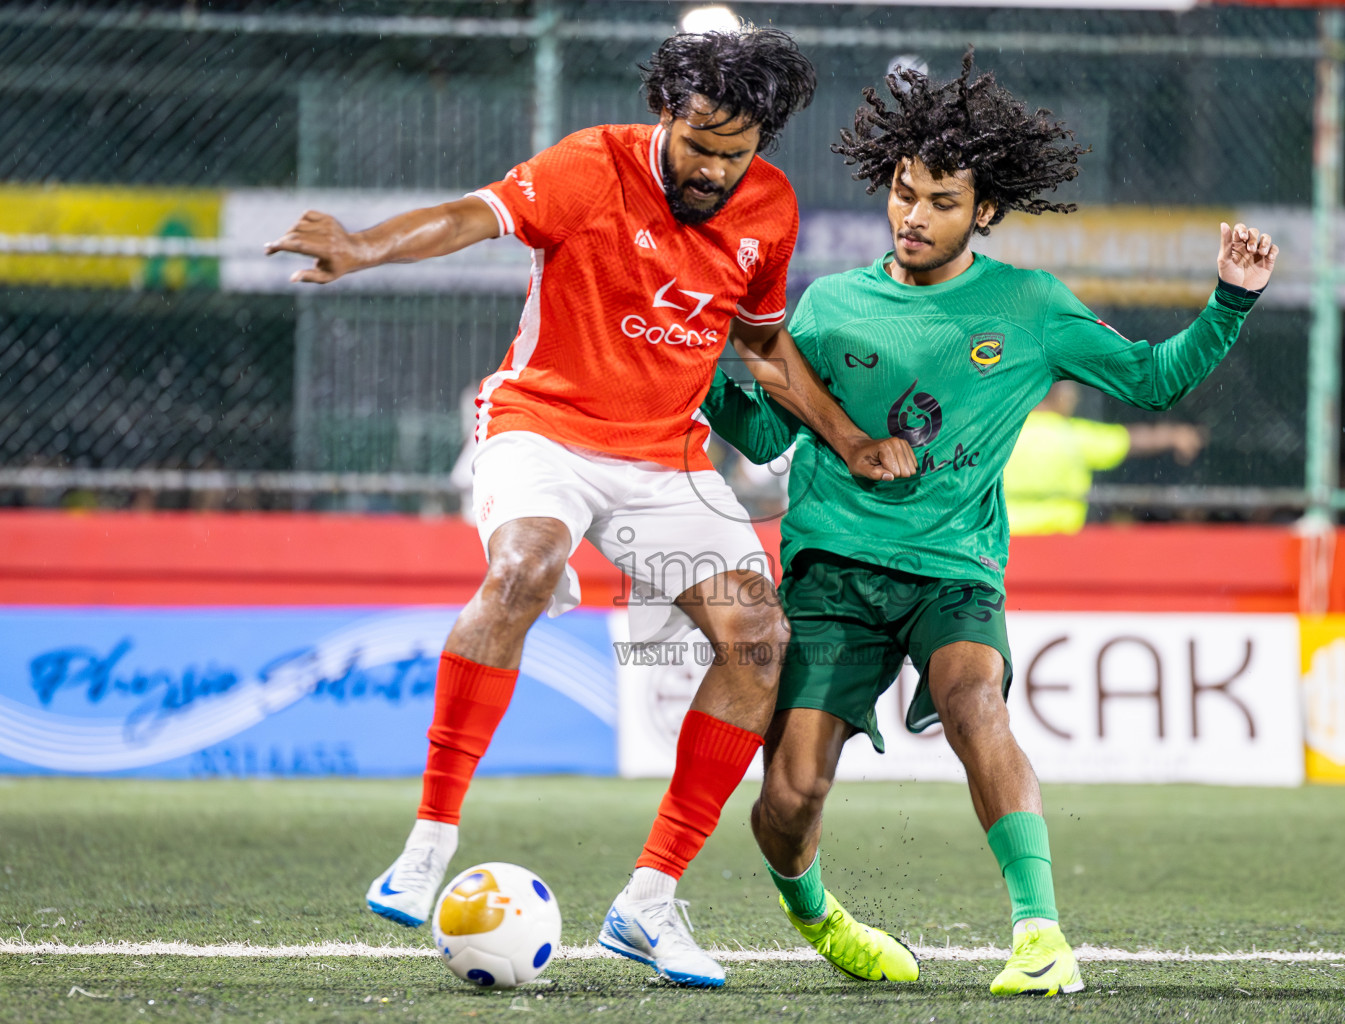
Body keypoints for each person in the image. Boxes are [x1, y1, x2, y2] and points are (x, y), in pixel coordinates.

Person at [265, 27, 914, 989]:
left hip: (666, 454)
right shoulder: (591, 165)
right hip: (546, 424)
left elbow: (766, 347)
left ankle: (648, 905)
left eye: (736, 154)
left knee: (758, 637)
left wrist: (849, 440)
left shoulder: (768, 208)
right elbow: (470, 217)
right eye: (700, 146)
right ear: (667, 116)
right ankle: (429, 842)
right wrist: (364, 248)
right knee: (522, 569)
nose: (716, 171)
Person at [699, 51, 1277, 997]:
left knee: (976, 698)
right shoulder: (833, 303)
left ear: (986, 213)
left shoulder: (1031, 307)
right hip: (832, 569)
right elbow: (764, 429)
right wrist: (702, 365)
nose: (913, 216)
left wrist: (1229, 300)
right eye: (902, 192)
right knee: (791, 795)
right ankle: (813, 911)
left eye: (939, 201)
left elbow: (1151, 379)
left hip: (953, 567)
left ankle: (1041, 933)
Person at [1003, 379, 1207, 535]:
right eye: (1072, 393)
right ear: (1059, 395)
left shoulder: (1002, 437)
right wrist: (1174, 435)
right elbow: (1131, 440)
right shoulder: (1075, 437)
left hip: (1009, 545)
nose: (1076, 399)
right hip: (1059, 544)